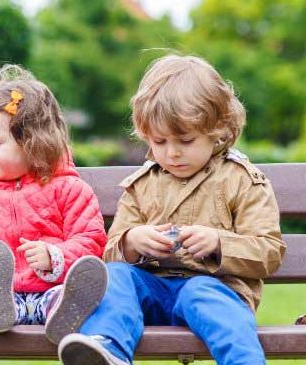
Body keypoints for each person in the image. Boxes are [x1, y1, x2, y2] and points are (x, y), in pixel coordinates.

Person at [58, 55, 286, 365]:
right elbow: (110, 250)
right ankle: (108, 348)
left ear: (217, 130)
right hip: (151, 290)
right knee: (114, 276)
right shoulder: (142, 184)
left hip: (215, 290)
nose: (172, 152)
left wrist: (219, 243)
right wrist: (133, 242)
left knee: (202, 294)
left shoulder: (241, 179)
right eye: (160, 141)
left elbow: (269, 251)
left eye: (186, 140)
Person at [0, 64, 108, 344]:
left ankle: (64, 314)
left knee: (62, 297)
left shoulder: (68, 188)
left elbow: (91, 242)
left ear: (33, 143)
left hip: (53, 289)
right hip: (5, 294)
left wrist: (54, 255)